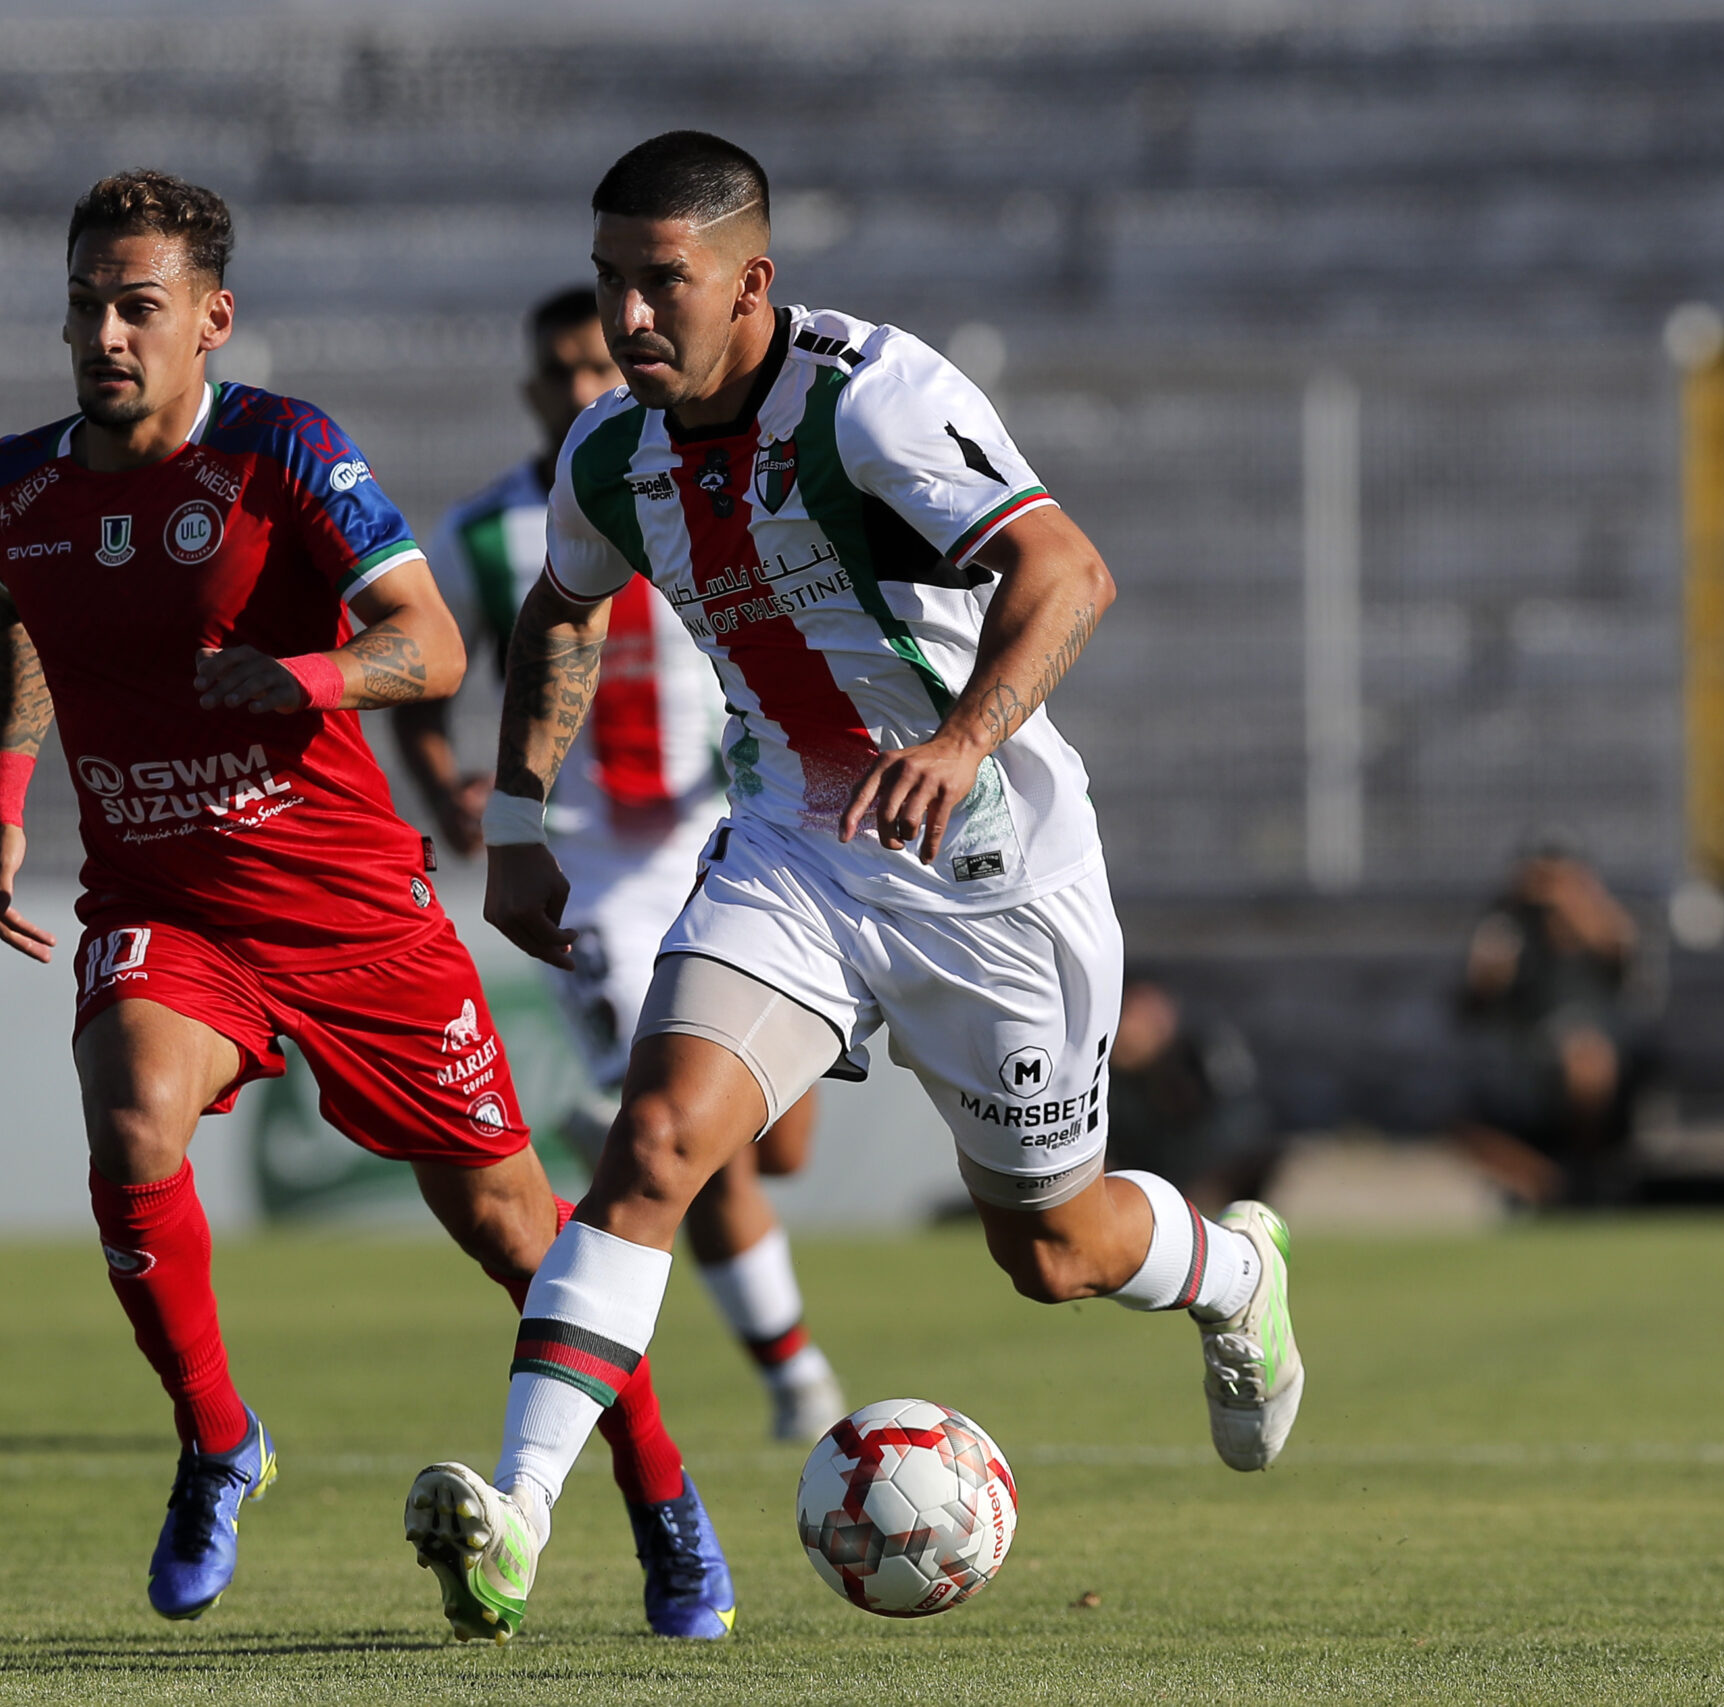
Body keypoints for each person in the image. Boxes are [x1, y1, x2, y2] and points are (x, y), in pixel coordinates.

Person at [398, 131, 1304, 1645]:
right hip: (794, 854)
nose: (627, 320)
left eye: (660, 285)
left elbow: (1068, 571)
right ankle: (520, 1521)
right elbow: (562, 606)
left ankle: (1232, 1268)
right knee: (656, 1144)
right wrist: (522, 820)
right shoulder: (611, 455)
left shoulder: (875, 397)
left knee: (1053, 1249)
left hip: (987, 874)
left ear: (750, 281)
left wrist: (957, 742)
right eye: (613, 282)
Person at [0, 170, 733, 1638]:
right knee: (130, 1125)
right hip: (164, 900)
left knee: (520, 1233)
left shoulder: (283, 451)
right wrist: (4, 795)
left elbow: (432, 646)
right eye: (84, 305)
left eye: (138, 307)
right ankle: (216, 1441)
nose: (104, 335)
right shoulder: (14, 486)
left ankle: (662, 1494)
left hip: (351, 911)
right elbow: (27, 599)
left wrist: (303, 676)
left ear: (210, 321)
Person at [397, 285, 845, 1442]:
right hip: (592, 873)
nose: (583, 387)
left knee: (770, 1146)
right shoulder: (489, 531)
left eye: (598, 367)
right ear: (533, 389)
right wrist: (453, 780)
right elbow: (420, 656)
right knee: (684, 1147)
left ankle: (653, 1145)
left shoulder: (700, 486)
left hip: (735, 833)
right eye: (560, 372)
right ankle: (797, 1380)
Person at [1453, 836, 1647, 1206]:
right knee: (1457, 1125)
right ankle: (1553, 1186)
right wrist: (1489, 975)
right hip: (1528, 1067)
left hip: (1603, 1068)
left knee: (1588, 1059)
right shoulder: (1508, 928)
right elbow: (1468, 1010)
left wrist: (1574, 901)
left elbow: (1622, 952)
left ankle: (1586, 1172)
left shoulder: (1600, 919)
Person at [1102, 976, 1278, 1211]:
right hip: (1147, 1177)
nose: (1132, 1030)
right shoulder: (1110, 1074)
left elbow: (1240, 1118)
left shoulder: (1198, 1052)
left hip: (1211, 1165)